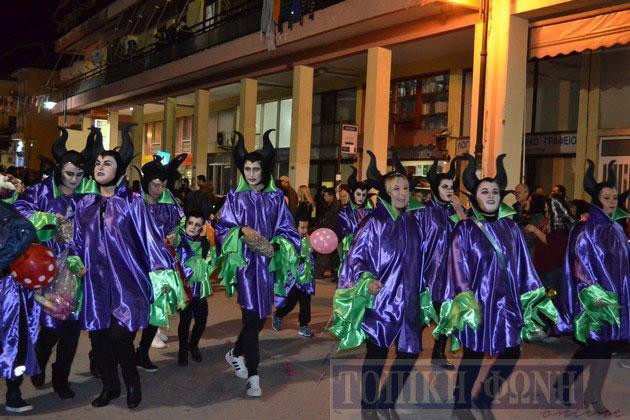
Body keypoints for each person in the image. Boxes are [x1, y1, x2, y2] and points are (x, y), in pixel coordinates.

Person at [434, 154, 557, 419]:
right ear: (474, 198)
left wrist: (532, 299)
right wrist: (465, 302)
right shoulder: (464, 230)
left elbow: (524, 265)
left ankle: (484, 398)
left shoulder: (511, 228)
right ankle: (461, 405)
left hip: (506, 304)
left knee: (512, 351)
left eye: (494, 191)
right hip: (476, 304)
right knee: (473, 355)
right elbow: (456, 268)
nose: (490, 195)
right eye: (484, 191)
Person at [70, 125, 180, 409]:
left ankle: (132, 382)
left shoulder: (132, 202)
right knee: (98, 338)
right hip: (94, 283)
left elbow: (149, 239)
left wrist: (163, 275)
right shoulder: (84, 204)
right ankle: (110, 387)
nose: (100, 167)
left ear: (118, 170)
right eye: (97, 163)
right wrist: (74, 261)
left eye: (107, 163)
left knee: (120, 335)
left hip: (126, 282)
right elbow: (76, 242)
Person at [329, 151, 432, 416]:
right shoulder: (373, 222)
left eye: (405, 188)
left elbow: (421, 260)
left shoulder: (413, 222)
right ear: (386, 193)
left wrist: (424, 291)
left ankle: (387, 400)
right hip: (381, 302)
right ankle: (369, 405)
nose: (402, 193)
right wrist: (366, 280)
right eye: (396, 188)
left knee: (409, 354)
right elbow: (355, 258)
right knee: (377, 355)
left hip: (408, 302)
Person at [12, 127, 96, 400]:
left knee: (71, 330)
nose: (74, 180)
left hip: (78, 271)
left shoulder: (87, 195)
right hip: (46, 271)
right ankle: (39, 362)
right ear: (60, 169)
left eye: (79, 175)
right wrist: (48, 219)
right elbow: (19, 211)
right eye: (69, 173)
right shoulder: (40, 192)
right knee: (50, 327)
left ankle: (61, 379)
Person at [217, 130, 300, 397]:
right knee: (251, 318)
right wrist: (241, 231)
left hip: (268, 267)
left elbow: (288, 230)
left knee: (259, 319)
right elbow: (222, 228)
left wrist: (275, 246)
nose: (251, 174)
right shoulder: (235, 197)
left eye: (256, 169)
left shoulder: (276, 198)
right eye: (247, 169)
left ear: (264, 170)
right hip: (245, 266)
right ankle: (254, 377)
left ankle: (235, 352)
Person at [554, 160, 629, 415]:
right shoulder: (585, 229)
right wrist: (595, 296)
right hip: (595, 300)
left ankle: (581, 390)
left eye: (614, 197)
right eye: (606, 197)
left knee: (601, 348)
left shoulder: (616, 228)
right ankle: (586, 393)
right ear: (596, 200)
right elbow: (579, 266)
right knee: (598, 348)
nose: (612, 202)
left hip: (615, 299)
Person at [135, 154, 188, 372]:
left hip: (161, 267)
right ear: (146, 182)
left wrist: (176, 235)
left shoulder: (169, 204)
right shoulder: (134, 204)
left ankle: (142, 353)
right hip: (136, 265)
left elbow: (180, 224)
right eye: (156, 185)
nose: (160, 190)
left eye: (164, 186)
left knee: (156, 313)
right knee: (132, 311)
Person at [413, 158, 466, 371]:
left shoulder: (455, 211)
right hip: (429, 274)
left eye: (451, 187)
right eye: (445, 187)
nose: (449, 190)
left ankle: (438, 354)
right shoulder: (423, 211)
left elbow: (469, 235)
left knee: (447, 315)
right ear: (436, 189)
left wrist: (460, 210)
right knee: (424, 315)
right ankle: (409, 348)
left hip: (451, 275)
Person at [0, 202, 41, 413]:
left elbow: (27, 232)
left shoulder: (6, 210)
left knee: (14, 339)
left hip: (7, 289)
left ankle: (14, 393)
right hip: (7, 287)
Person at [176, 192, 217, 366]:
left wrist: (207, 254)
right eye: (191, 223)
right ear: (186, 223)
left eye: (198, 225)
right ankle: (182, 349)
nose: (193, 227)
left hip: (199, 289)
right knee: (184, 321)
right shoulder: (178, 241)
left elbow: (211, 264)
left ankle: (193, 345)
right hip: (184, 289)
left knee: (201, 320)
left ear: (202, 227)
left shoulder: (205, 243)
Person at [272, 204, 315, 337]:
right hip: (291, 279)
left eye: (307, 227)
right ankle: (278, 314)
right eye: (302, 227)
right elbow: (276, 247)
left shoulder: (307, 239)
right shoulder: (287, 239)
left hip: (305, 278)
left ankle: (304, 325)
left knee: (305, 302)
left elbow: (311, 257)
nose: (305, 230)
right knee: (290, 303)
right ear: (295, 226)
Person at [335, 166, 372, 279]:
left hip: (368, 252)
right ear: (353, 194)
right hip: (351, 252)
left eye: (364, 195)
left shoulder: (371, 211)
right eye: (358, 194)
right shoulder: (344, 213)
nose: (361, 198)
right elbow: (342, 235)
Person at [316, 187, 339, 279]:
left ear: (331, 196)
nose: (324, 197)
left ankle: (319, 272)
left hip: (330, 233)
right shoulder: (330, 205)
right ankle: (325, 271)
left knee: (325, 253)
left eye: (326, 196)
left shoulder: (335, 207)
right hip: (328, 232)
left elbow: (332, 221)